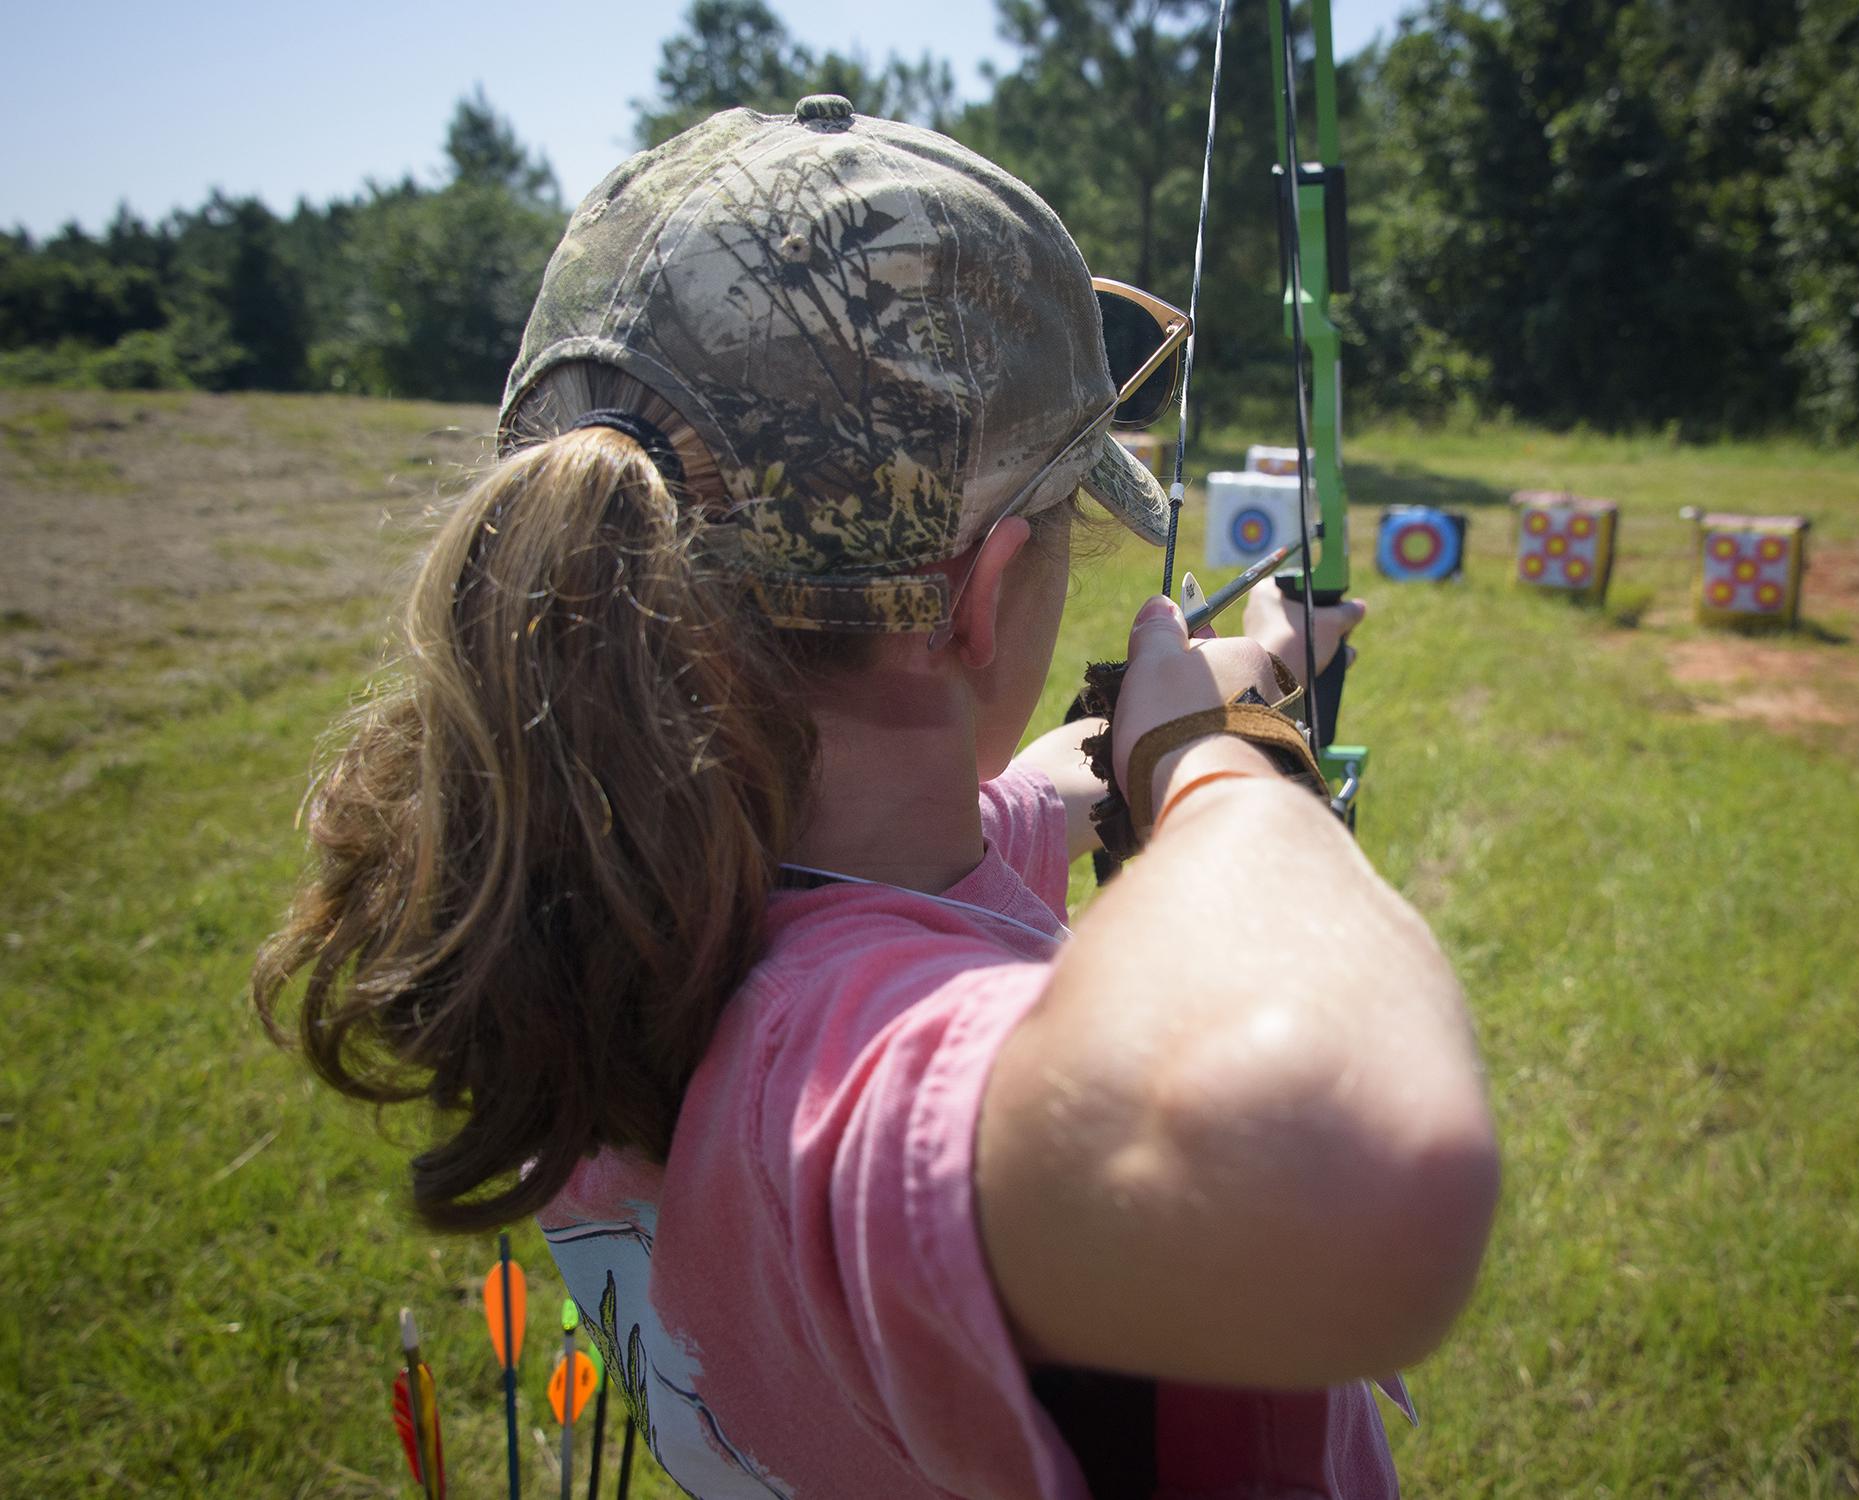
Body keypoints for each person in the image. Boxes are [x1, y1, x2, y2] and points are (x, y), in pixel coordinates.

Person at [254, 96, 1497, 1499]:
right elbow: (1361, 1181)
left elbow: (1024, 801)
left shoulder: (636, 893)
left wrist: (1242, 670)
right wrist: (1225, 772)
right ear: (974, 605)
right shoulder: (835, 1061)